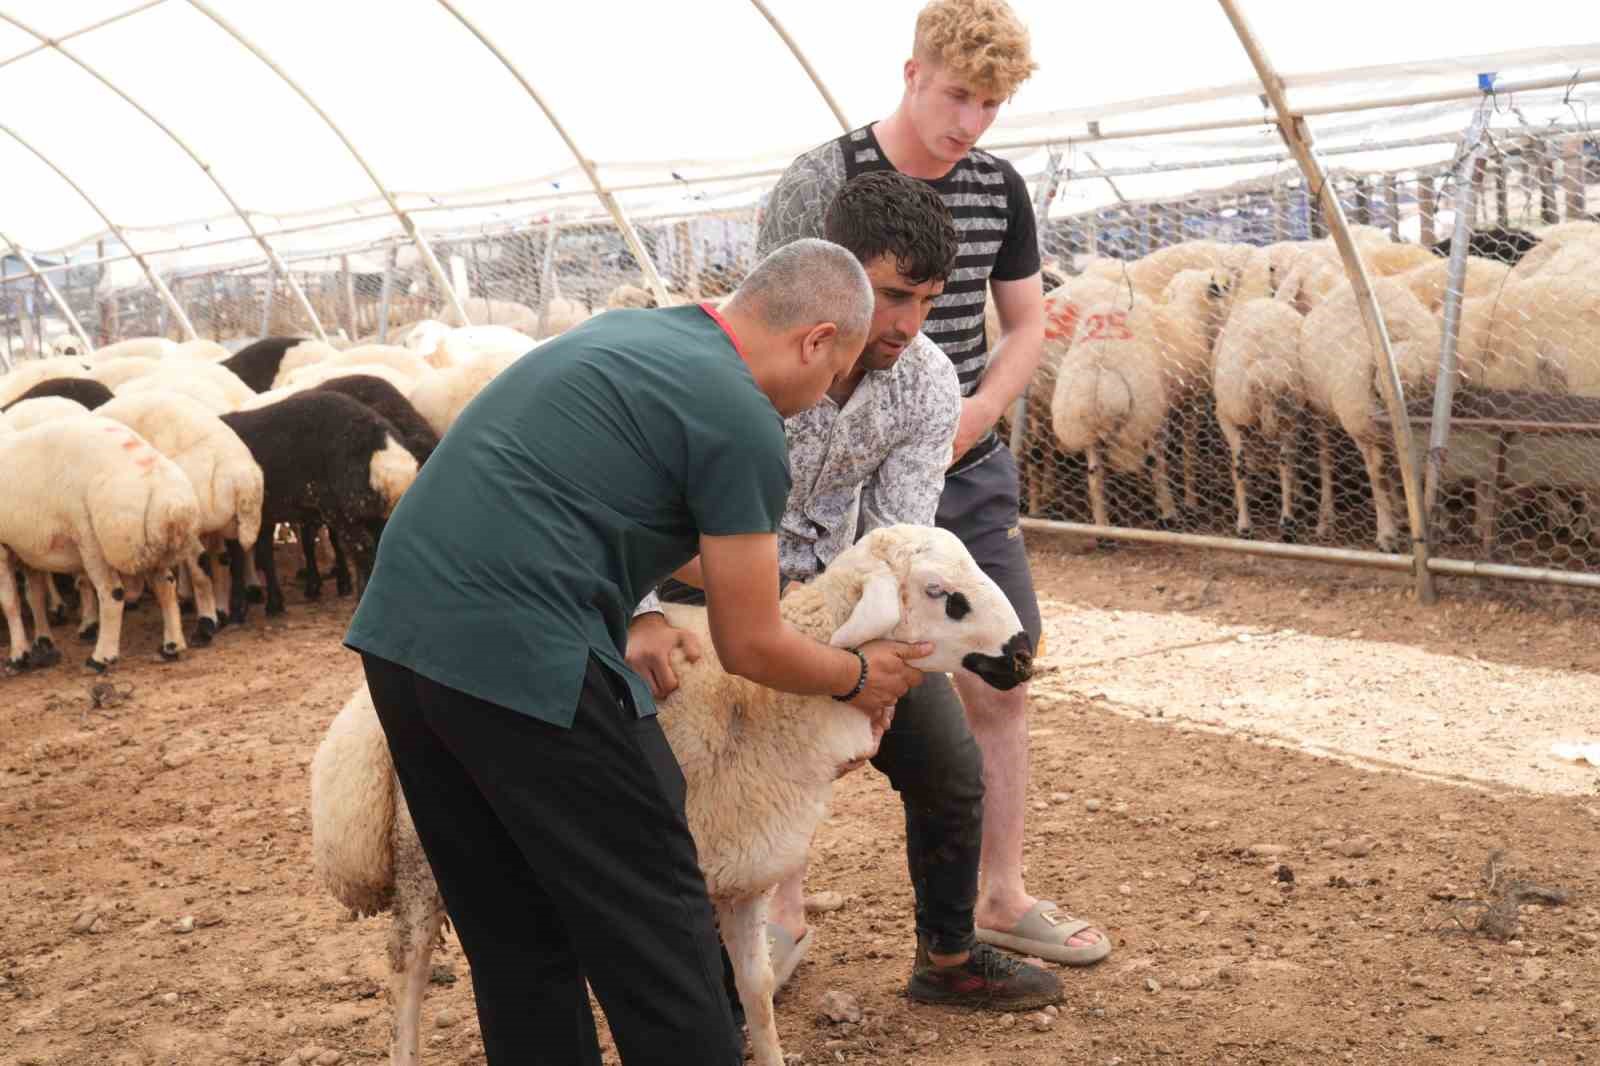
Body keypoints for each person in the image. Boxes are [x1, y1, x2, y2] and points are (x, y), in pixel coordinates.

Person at [342, 238, 933, 1066]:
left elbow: (624, 516)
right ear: (817, 339)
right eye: (832, 377)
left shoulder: (635, 337)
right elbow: (752, 643)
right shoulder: (741, 415)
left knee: (513, 930)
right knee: (660, 930)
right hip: (521, 653)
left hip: (400, 640)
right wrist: (858, 675)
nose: (821, 400)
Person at [630, 169, 1062, 1011]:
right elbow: (639, 505)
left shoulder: (929, 380)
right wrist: (641, 612)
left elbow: (900, 533)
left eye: (930, 300)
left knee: (947, 764)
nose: (907, 324)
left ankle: (948, 953)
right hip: (705, 603)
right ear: (836, 273)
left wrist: (882, 668)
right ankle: (701, 976)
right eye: (893, 294)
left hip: (843, 609)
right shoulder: (747, 362)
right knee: (677, 773)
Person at [753, 0, 1111, 968]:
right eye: (958, 96)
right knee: (796, 660)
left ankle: (998, 894)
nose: (970, 123)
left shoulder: (997, 186)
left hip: (956, 454)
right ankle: (778, 909)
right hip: (821, 462)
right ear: (911, 73)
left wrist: (979, 411)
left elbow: (1027, 322)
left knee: (1001, 670)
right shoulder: (820, 183)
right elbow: (777, 326)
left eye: (991, 105)